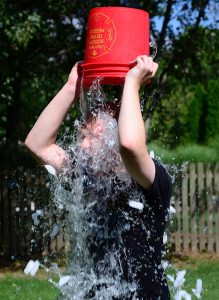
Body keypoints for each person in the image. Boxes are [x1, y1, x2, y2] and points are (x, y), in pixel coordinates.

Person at [25, 55, 172, 299]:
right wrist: (71, 88)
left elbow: (131, 145)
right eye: (82, 136)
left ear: (113, 138)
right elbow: (37, 146)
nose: (81, 146)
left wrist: (132, 84)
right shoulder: (88, 177)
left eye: (90, 137)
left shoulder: (152, 180)